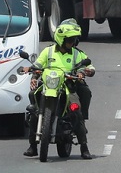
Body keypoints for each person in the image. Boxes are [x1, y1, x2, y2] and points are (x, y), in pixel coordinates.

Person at [23, 19, 95, 160]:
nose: (72, 43)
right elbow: (38, 66)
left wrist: (84, 72)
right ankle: (33, 146)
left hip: (67, 86)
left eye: (74, 40)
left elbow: (90, 66)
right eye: (69, 40)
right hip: (48, 85)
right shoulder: (48, 51)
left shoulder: (76, 54)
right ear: (61, 39)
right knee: (33, 109)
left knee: (76, 109)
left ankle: (84, 147)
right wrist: (32, 75)